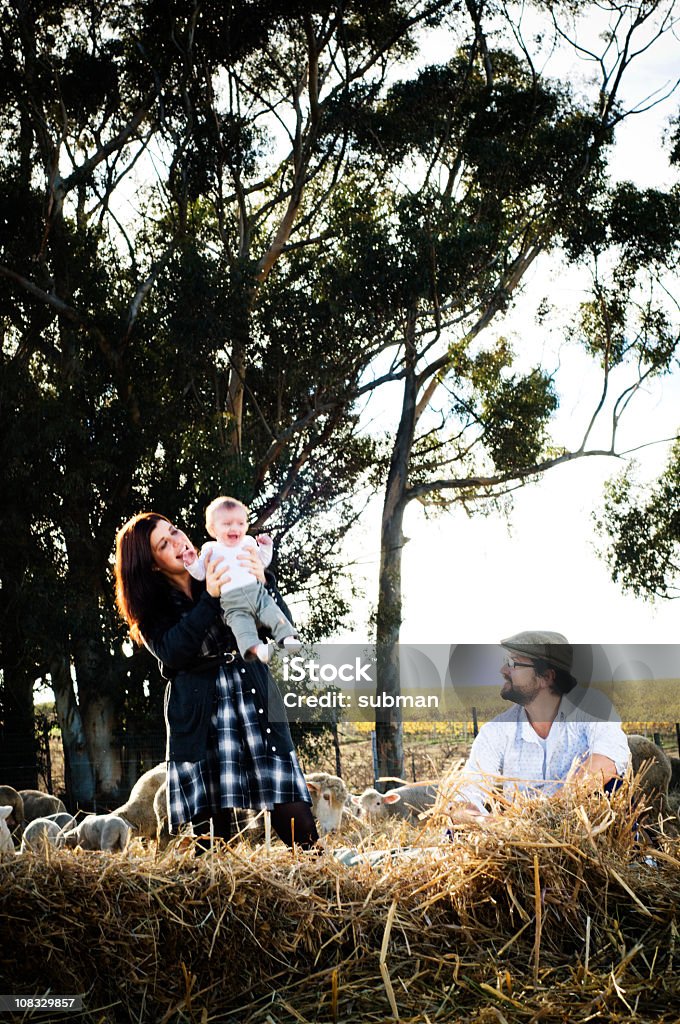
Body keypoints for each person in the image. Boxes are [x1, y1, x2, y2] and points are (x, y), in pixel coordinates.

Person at [114, 512, 318, 850]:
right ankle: (219, 898)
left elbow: (276, 622)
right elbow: (175, 652)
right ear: (151, 564)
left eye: (175, 531)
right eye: (164, 544)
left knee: (290, 804)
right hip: (200, 713)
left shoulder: (222, 564)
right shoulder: (151, 608)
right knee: (213, 835)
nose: (178, 542)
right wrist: (210, 597)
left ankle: (318, 876)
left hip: (252, 694)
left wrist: (262, 580)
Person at [446, 631, 631, 822]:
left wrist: (544, 815)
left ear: (546, 677)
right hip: (523, 847)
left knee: (612, 786)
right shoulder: (496, 731)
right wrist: (480, 820)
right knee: (455, 830)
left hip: (587, 836)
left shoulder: (592, 707)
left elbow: (607, 762)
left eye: (513, 663)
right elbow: (466, 793)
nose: (503, 670)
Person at [183, 495, 300, 663]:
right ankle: (257, 649)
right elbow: (201, 573)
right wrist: (191, 562)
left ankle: (288, 637)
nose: (235, 528)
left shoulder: (249, 542)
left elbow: (262, 562)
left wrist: (267, 546)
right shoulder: (210, 549)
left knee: (274, 613)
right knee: (241, 627)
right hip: (232, 601)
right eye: (227, 524)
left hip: (257, 593)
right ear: (212, 529)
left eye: (240, 523)